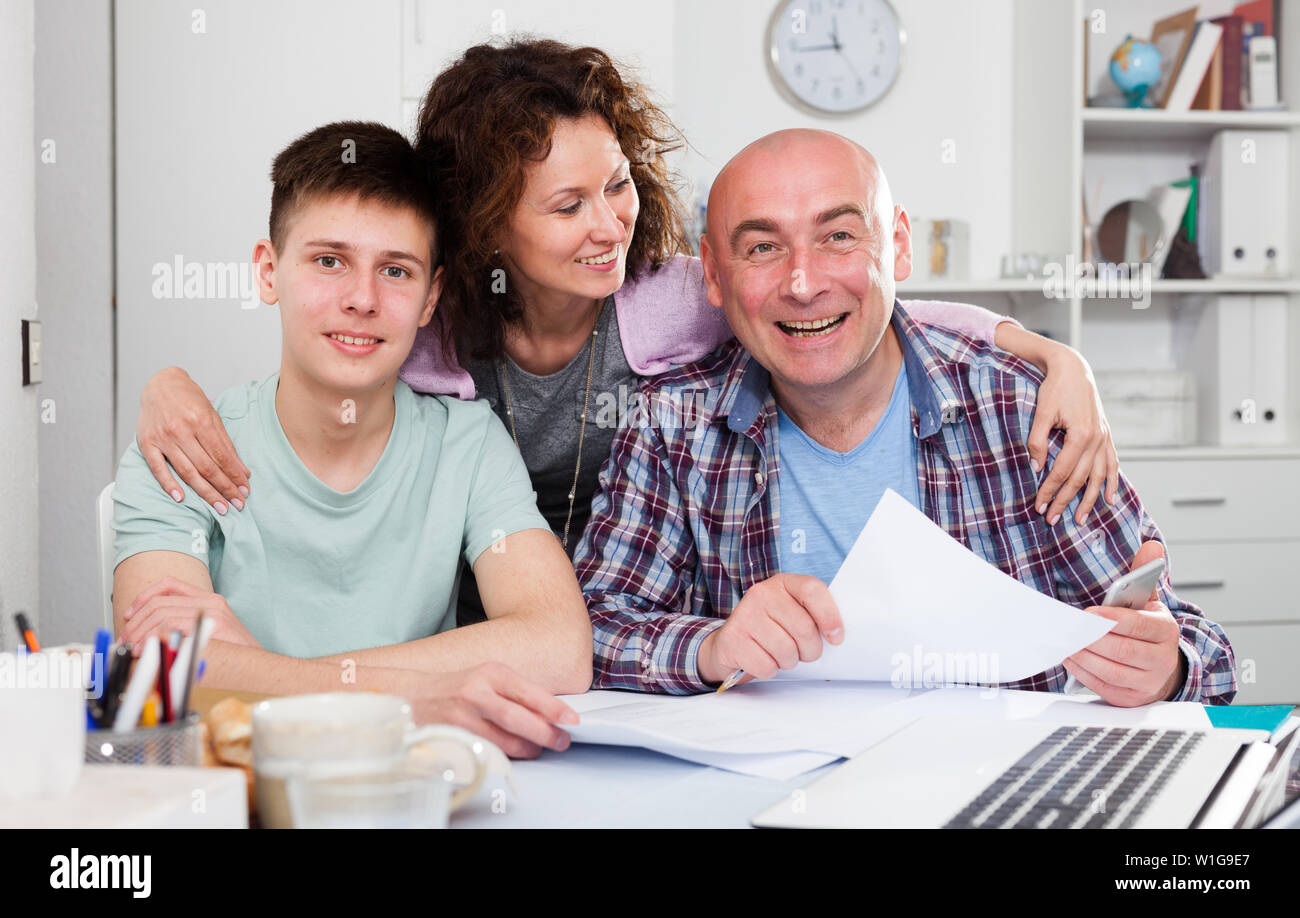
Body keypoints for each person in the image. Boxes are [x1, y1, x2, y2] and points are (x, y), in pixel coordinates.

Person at [130, 40, 1122, 636]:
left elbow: (836, 306)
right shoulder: (428, 328)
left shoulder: (667, 298)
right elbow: (317, 353)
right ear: (486, 228)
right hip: (486, 629)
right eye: (567, 206)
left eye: (618, 185)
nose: (609, 224)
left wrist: (1043, 353)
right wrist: (170, 383)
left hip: (619, 618)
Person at [574, 129, 1236, 707]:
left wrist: (1166, 670)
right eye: (763, 249)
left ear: (897, 249)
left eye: (838, 237)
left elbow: (1204, 653)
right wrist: (711, 647)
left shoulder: (1021, 410)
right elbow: (593, 633)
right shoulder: (671, 423)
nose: (803, 283)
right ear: (714, 278)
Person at [113, 122, 587, 757]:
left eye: (395, 270)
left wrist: (264, 673)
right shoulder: (182, 447)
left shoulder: (466, 443)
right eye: (329, 261)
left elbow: (560, 646)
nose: (362, 299)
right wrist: (406, 699)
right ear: (268, 271)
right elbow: (158, 667)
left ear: (430, 298)